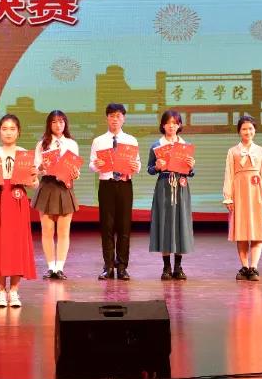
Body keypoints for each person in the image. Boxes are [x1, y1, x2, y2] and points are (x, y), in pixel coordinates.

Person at [0, 114, 37, 308]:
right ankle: (0, 291)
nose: (8, 133)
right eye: (4, 129)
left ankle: (14, 290)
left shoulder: (24, 154)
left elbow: (34, 184)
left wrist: (33, 176)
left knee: (17, 244)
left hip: (18, 201)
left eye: (12, 129)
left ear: (18, 132)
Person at [90, 103, 141, 280]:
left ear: (123, 119)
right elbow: (91, 165)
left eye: (118, 116)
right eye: (111, 116)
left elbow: (138, 165)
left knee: (124, 227)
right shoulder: (99, 141)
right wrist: (96, 165)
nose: (115, 119)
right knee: (107, 227)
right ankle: (108, 266)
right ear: (107, 118)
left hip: (125, 185)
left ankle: (122, 267)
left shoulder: (131, 140)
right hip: (106, 185)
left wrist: (135, 166)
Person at [148, 110, 196, 280]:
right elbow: (150, 169)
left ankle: (178, 266)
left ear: (179, 125)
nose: (171, 126)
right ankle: (166, 267)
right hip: (164, 186)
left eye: (175, 123)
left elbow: (191, 172)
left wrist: (191, 167)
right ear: (163, 125)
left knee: (180, 223)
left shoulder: (185, 145)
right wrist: (157, 167)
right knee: (165, 223)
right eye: (168, 123)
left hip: (181, 187)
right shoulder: (156, 145)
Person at [32, 110, 80, 280]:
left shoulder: (72, 144)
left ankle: (59, 268)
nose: (58, 125)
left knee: (63, 231)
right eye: (54, 122)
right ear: (49, 125)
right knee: (47, 230)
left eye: (61, 121)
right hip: (47, 185)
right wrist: (42, 167)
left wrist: (75, 173)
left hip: (65, 187)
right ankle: (50, 267)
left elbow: (75, 169)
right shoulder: (42, 144)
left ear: (65, 124)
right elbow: (35, 168)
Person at [223, 114, 262, 282]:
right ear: (239, 131)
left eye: (250, 128)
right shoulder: (233, 151)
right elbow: (229, 175)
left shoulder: (261, 151)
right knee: (242, 232)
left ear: (254, 130)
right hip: (240, 193)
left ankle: (254, 267)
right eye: (244, 129)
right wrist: (228, 197)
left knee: (257, 231)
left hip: (256, 193)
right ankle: (244, 266)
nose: (247, 131)